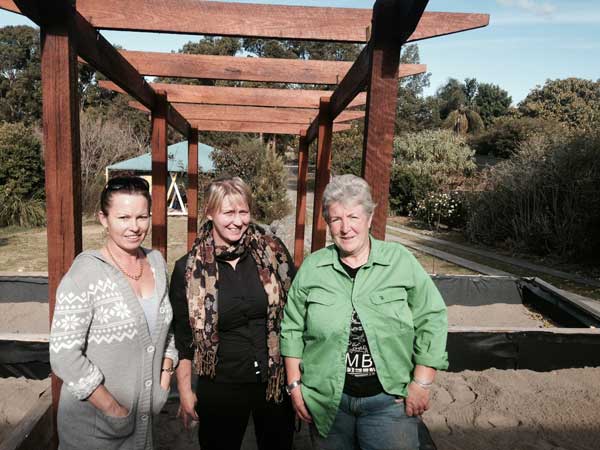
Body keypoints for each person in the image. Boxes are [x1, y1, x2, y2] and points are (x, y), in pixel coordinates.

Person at [280, 174, 448, 450]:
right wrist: (294, 386)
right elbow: (292, 327)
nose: (345, 228)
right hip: (327, 404)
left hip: (389, 404)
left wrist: (422, 382)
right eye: (336, 219)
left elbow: (432, 317)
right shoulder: (313, 268)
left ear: (369, 219)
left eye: (353, 217)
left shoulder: (400, 261)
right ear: (328, 223)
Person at [50, 176, 178, 450]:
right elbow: (63, 355)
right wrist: (113, 409)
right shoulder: (85, 274)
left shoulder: (156, 263)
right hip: (93, 432)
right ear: (104, 219)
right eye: (123, 217)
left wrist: (163, 381)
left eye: (142, 217)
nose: (134, 227)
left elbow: (167, 330)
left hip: (142, 431)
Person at [170, 177, 296, 450]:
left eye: (243, 212)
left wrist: (298, 379)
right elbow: (183, 339)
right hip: (221, 385)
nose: (237, 221)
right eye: (228, 212)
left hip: (273, 381)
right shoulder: (189, 270)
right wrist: (184, 390)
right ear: (210, 213)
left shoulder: (273, 253)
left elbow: (297, 314)